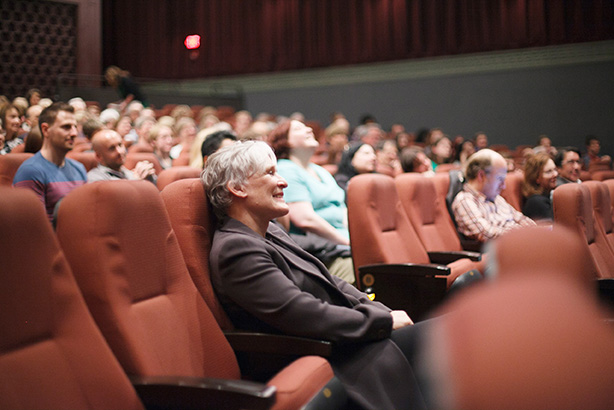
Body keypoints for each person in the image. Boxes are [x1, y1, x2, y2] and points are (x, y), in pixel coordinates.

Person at [203, 140, 428, 410]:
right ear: (238, 188)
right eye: (270, 173)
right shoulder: (235, 249)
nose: (283, 182)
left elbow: (330, 281)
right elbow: (301, 313)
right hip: (325, 351)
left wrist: (379, 309)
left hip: (346, 337)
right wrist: (380, 321)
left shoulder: (269, 230)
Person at [270, 120, 354, 284]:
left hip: (343, 241)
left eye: (306, 126)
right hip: (322, 249)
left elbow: (341, 208)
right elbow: (305, 219)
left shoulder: (319, 169)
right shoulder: (286, 169)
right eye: (298, 129)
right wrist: (347, 242)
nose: (308, 129)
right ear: (284, 141)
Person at [13, 102, 87, 222]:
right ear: (46, 130)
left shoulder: (79, 168)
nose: (74, 133)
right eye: (66, 127)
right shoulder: (30, 171)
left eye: (75, 127)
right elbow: (32, 226)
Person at [451, 149, 535, 243]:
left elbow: (521, 219)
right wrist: (522, 233)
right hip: (500, 251)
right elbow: (486, 233)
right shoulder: (465, 200)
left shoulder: (496, 198)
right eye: (500, 179)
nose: (503, 186)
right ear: (481, 175)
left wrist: (538, 231)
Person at [87, 129, 156, 183]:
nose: (120, 151)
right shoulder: (94, 178)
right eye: (112, 148)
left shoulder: (130, 173)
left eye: (120, 145)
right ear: (99, 156)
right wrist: (136, 181)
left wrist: (148, 177)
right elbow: (117, 197)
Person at [521, 153, 558, 221]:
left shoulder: (548, 195)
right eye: (548, 172)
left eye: (555, 169)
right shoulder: (537, 202)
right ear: (536, 177)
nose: (555, 174)